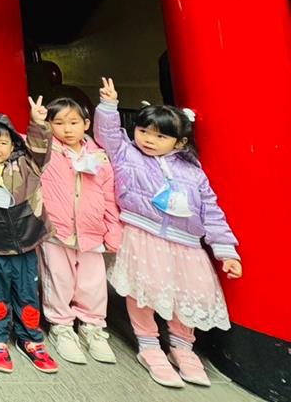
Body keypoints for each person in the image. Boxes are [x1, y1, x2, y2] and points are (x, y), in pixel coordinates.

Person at [96, 77, 242, 388]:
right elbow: (107, 135)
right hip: (143, 236)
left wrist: (226, 250)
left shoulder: (193, 172)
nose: (148, 139)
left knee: (185, 295)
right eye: (143, 131)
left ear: (180, 143)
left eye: (160, 135)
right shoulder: (127, 154)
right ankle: (149, 346)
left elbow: (211, 211)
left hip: (186, 245)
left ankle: (182, 348)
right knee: (143, 293)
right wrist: (108, 105)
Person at [0, 98, 58, 375]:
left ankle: (31, 338)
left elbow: (40, 149)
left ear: (13, 144)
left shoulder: (27, 166)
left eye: (2, 142)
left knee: (28, 295)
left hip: (27, 244)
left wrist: (38, 124)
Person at [38, 97, 122, 365]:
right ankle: (61, 325)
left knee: (92, 282)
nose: (67, 129)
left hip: (91, 231)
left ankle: (92, 326)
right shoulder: (46, 150)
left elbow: (109, 195)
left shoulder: (98, 156)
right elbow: (19, 139)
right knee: (58, 278)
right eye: (59, 123)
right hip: (56, 230)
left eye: (73, 122)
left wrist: (113, 229)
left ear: (86, 124)